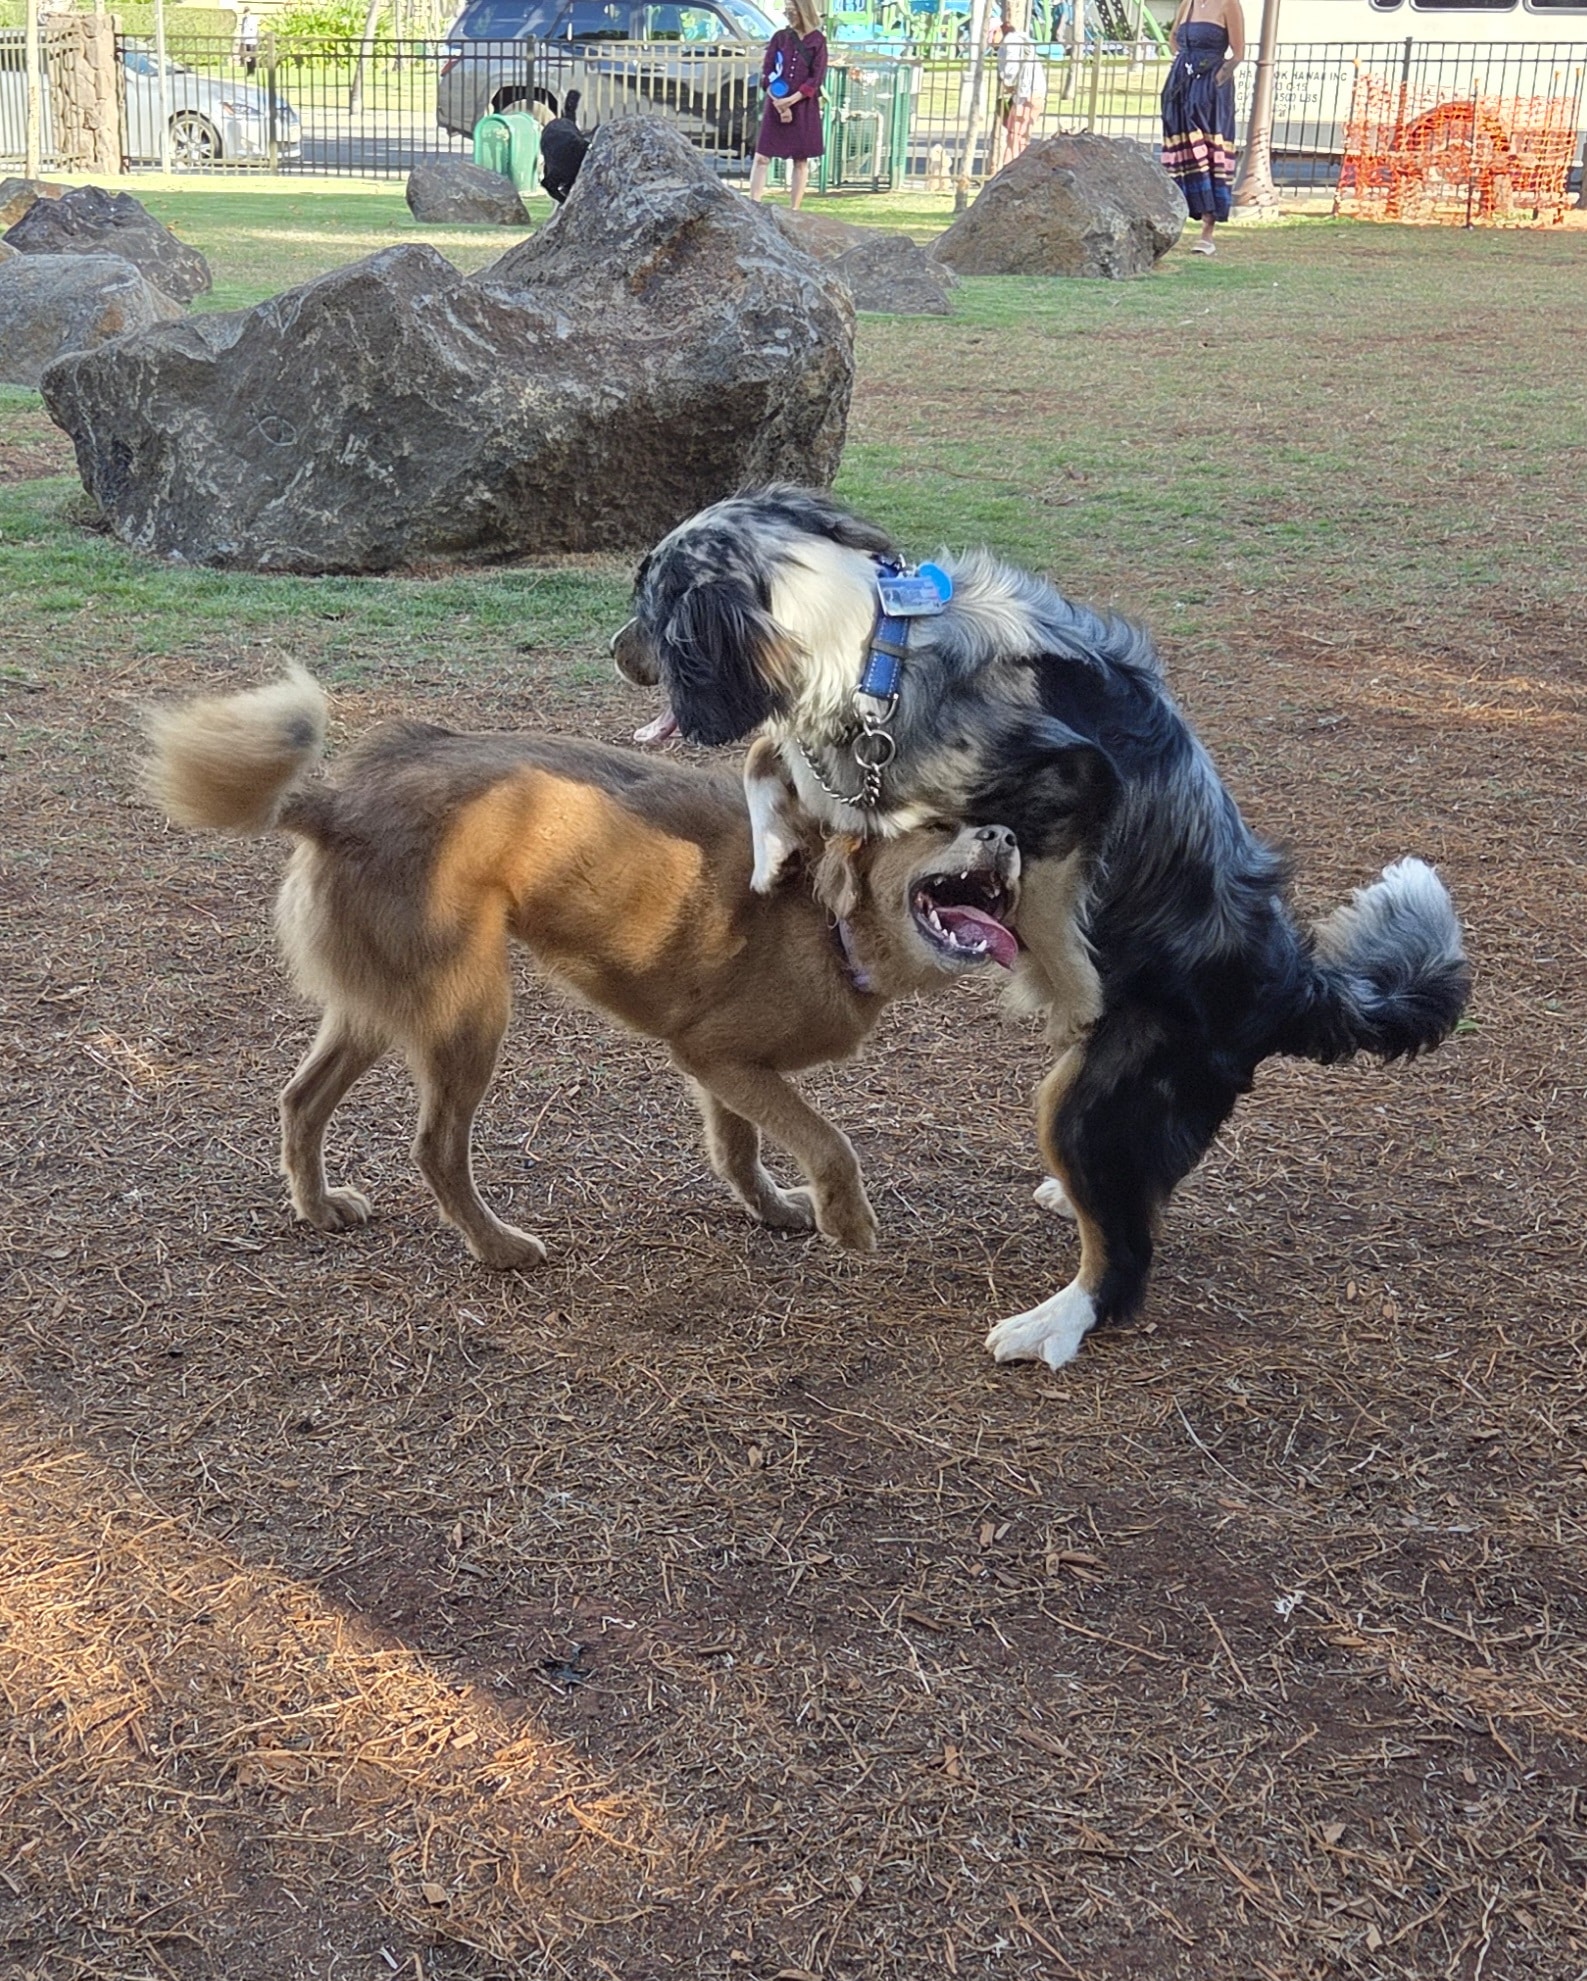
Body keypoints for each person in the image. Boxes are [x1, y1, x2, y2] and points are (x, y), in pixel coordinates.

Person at [1160, 0, 1244, 254]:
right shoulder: (1188, 3)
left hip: (1210, 89)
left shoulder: (1229, 4)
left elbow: (1238, 53)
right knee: (1180, 151)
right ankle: (1176, 216)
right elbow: (1173, 38)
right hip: (1181, 83)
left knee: (1209, 150)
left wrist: (1216, 80)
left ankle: (1208, 230)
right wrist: (1183, 63)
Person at [747, 0, 828, 213]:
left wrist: (791, 101)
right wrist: (779, 103)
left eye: (792, 11)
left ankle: (794, 210)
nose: (789, 15)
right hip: (776, 102)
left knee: (800, 159)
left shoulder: (818, 41)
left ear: (803, 11)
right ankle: (754, 205)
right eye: (787, 11)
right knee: (762, 156)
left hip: (803, 106)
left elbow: (816, 77)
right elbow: (768, 72)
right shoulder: (780, 38)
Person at [988, 11, 1046, 173]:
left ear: (998, 31)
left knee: (1015, 136)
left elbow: (1011, 70)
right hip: (1031, 91)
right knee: (1020, 135)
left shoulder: (1010, 43)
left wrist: (1007, 83)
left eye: (991, 36)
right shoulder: (1019, 39)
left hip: (1027, 92)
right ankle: (1017, 170)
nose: (990, 42)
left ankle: (1010, 171)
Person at [236, 5, 261, 75]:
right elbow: (243, 30)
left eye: (247, 12)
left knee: (251, 56)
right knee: (246, 55)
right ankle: (249, 70)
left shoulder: (252, 19)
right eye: (245, 12)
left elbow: (254, 30)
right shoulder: (244, 19)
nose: (246, 13)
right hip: (245, 40)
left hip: (251, 40)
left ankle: (252, 70)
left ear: (249, 12)